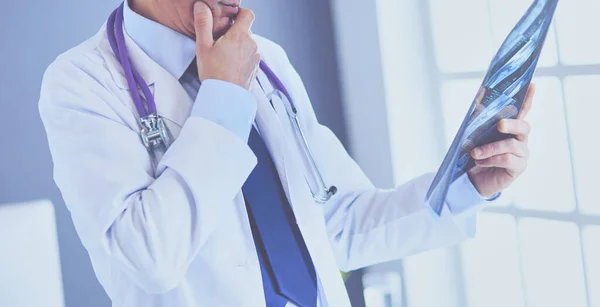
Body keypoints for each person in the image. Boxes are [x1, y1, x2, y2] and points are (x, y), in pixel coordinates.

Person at [38, 0, 535, 306]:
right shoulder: (81, 83)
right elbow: (148, 258)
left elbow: (339, 224)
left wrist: (465, 183)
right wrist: (223, 97)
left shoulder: (267, 59)